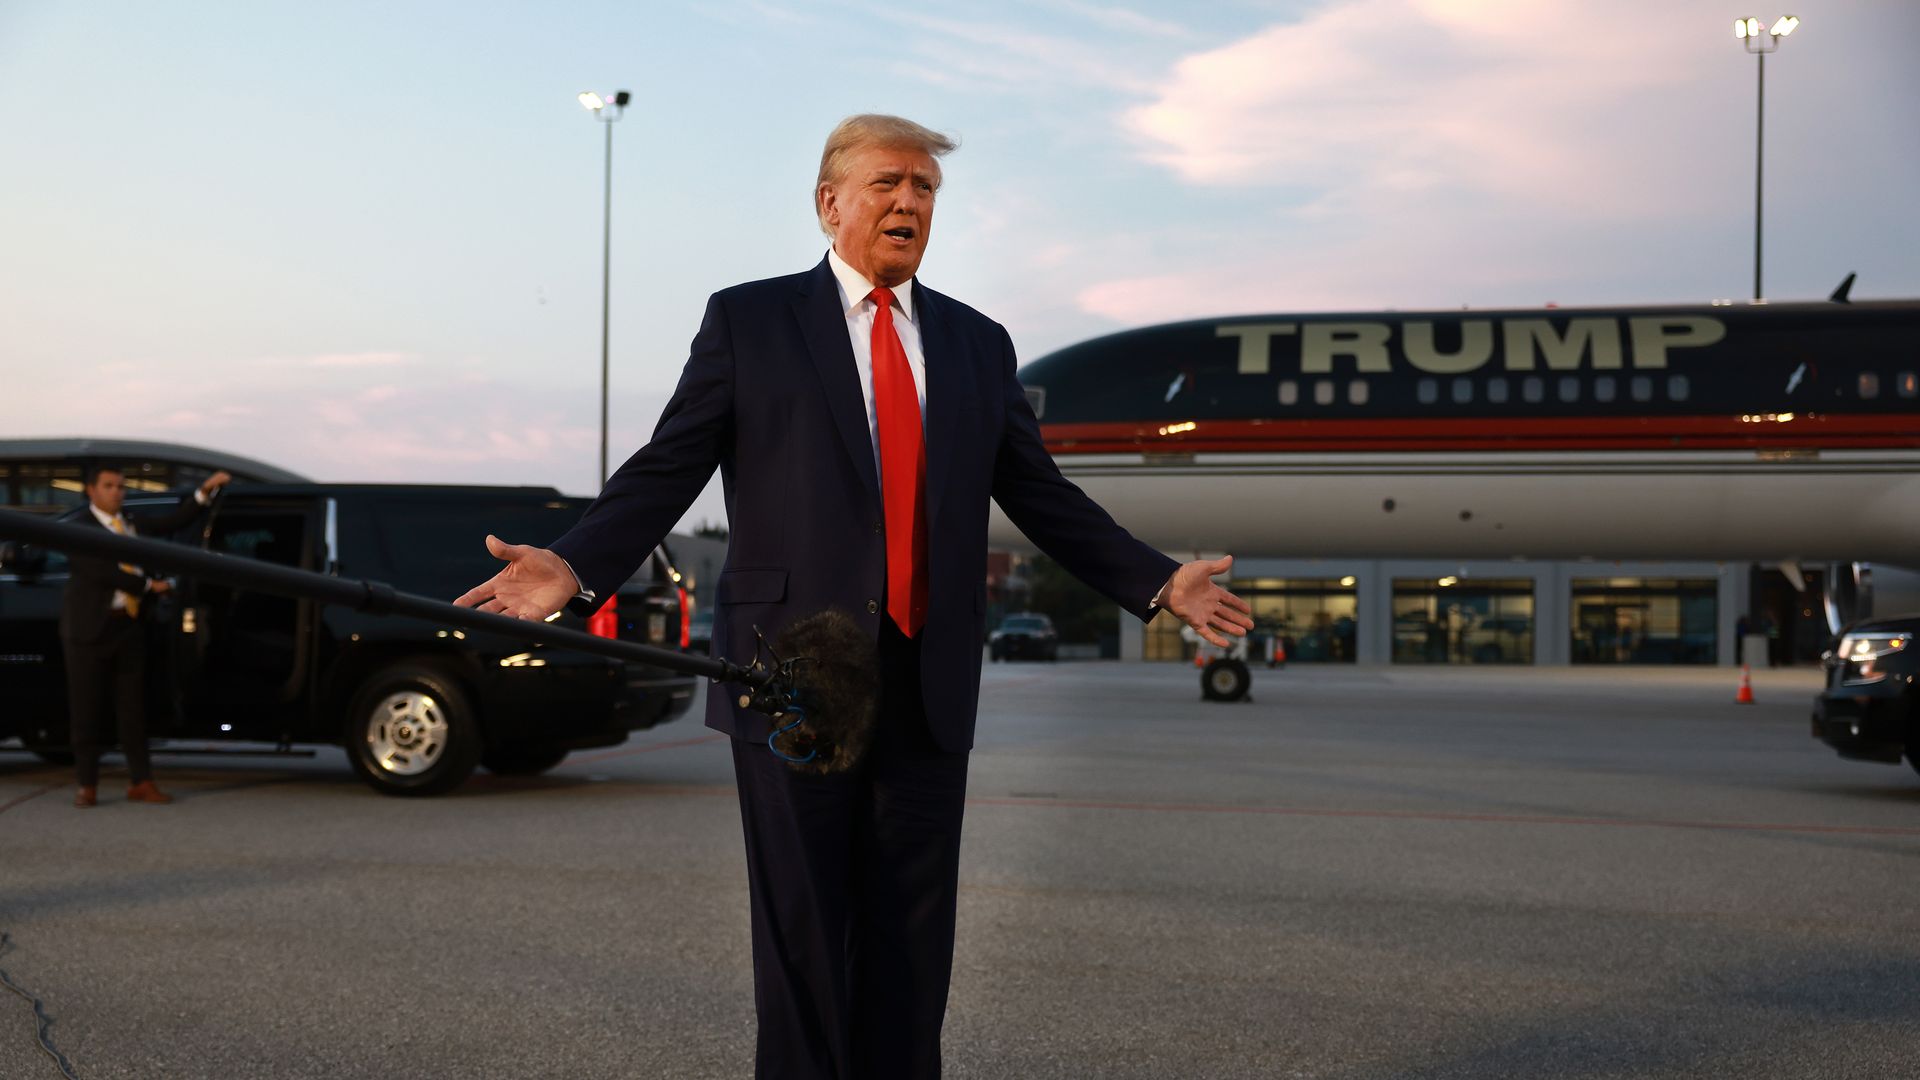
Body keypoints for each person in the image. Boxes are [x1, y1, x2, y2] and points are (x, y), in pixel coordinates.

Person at [455, 114, 1252, 1079]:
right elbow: (668, 468)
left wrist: (1157, 577)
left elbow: (1038, 493)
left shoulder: (975, 343)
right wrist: (576, 566)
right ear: (829, 201)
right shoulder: (751, 321)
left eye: (925, 190)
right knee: (802, 941)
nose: (909, 203)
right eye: (887, 184)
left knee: (914, 951)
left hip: (928, 680)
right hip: (791, 673)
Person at [62, 465, 232, 808]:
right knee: (87, 709)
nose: (117, 492)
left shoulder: (130, 524)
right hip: (89, 631)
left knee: (132, 710)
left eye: (121, 487)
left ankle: (141, 781)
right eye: (109, 486)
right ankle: (87, 784)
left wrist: (204, 491)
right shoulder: (78, 528)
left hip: (128, 626)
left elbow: (173, 523)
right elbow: (99, 570)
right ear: (91, 491)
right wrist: (148, 586)